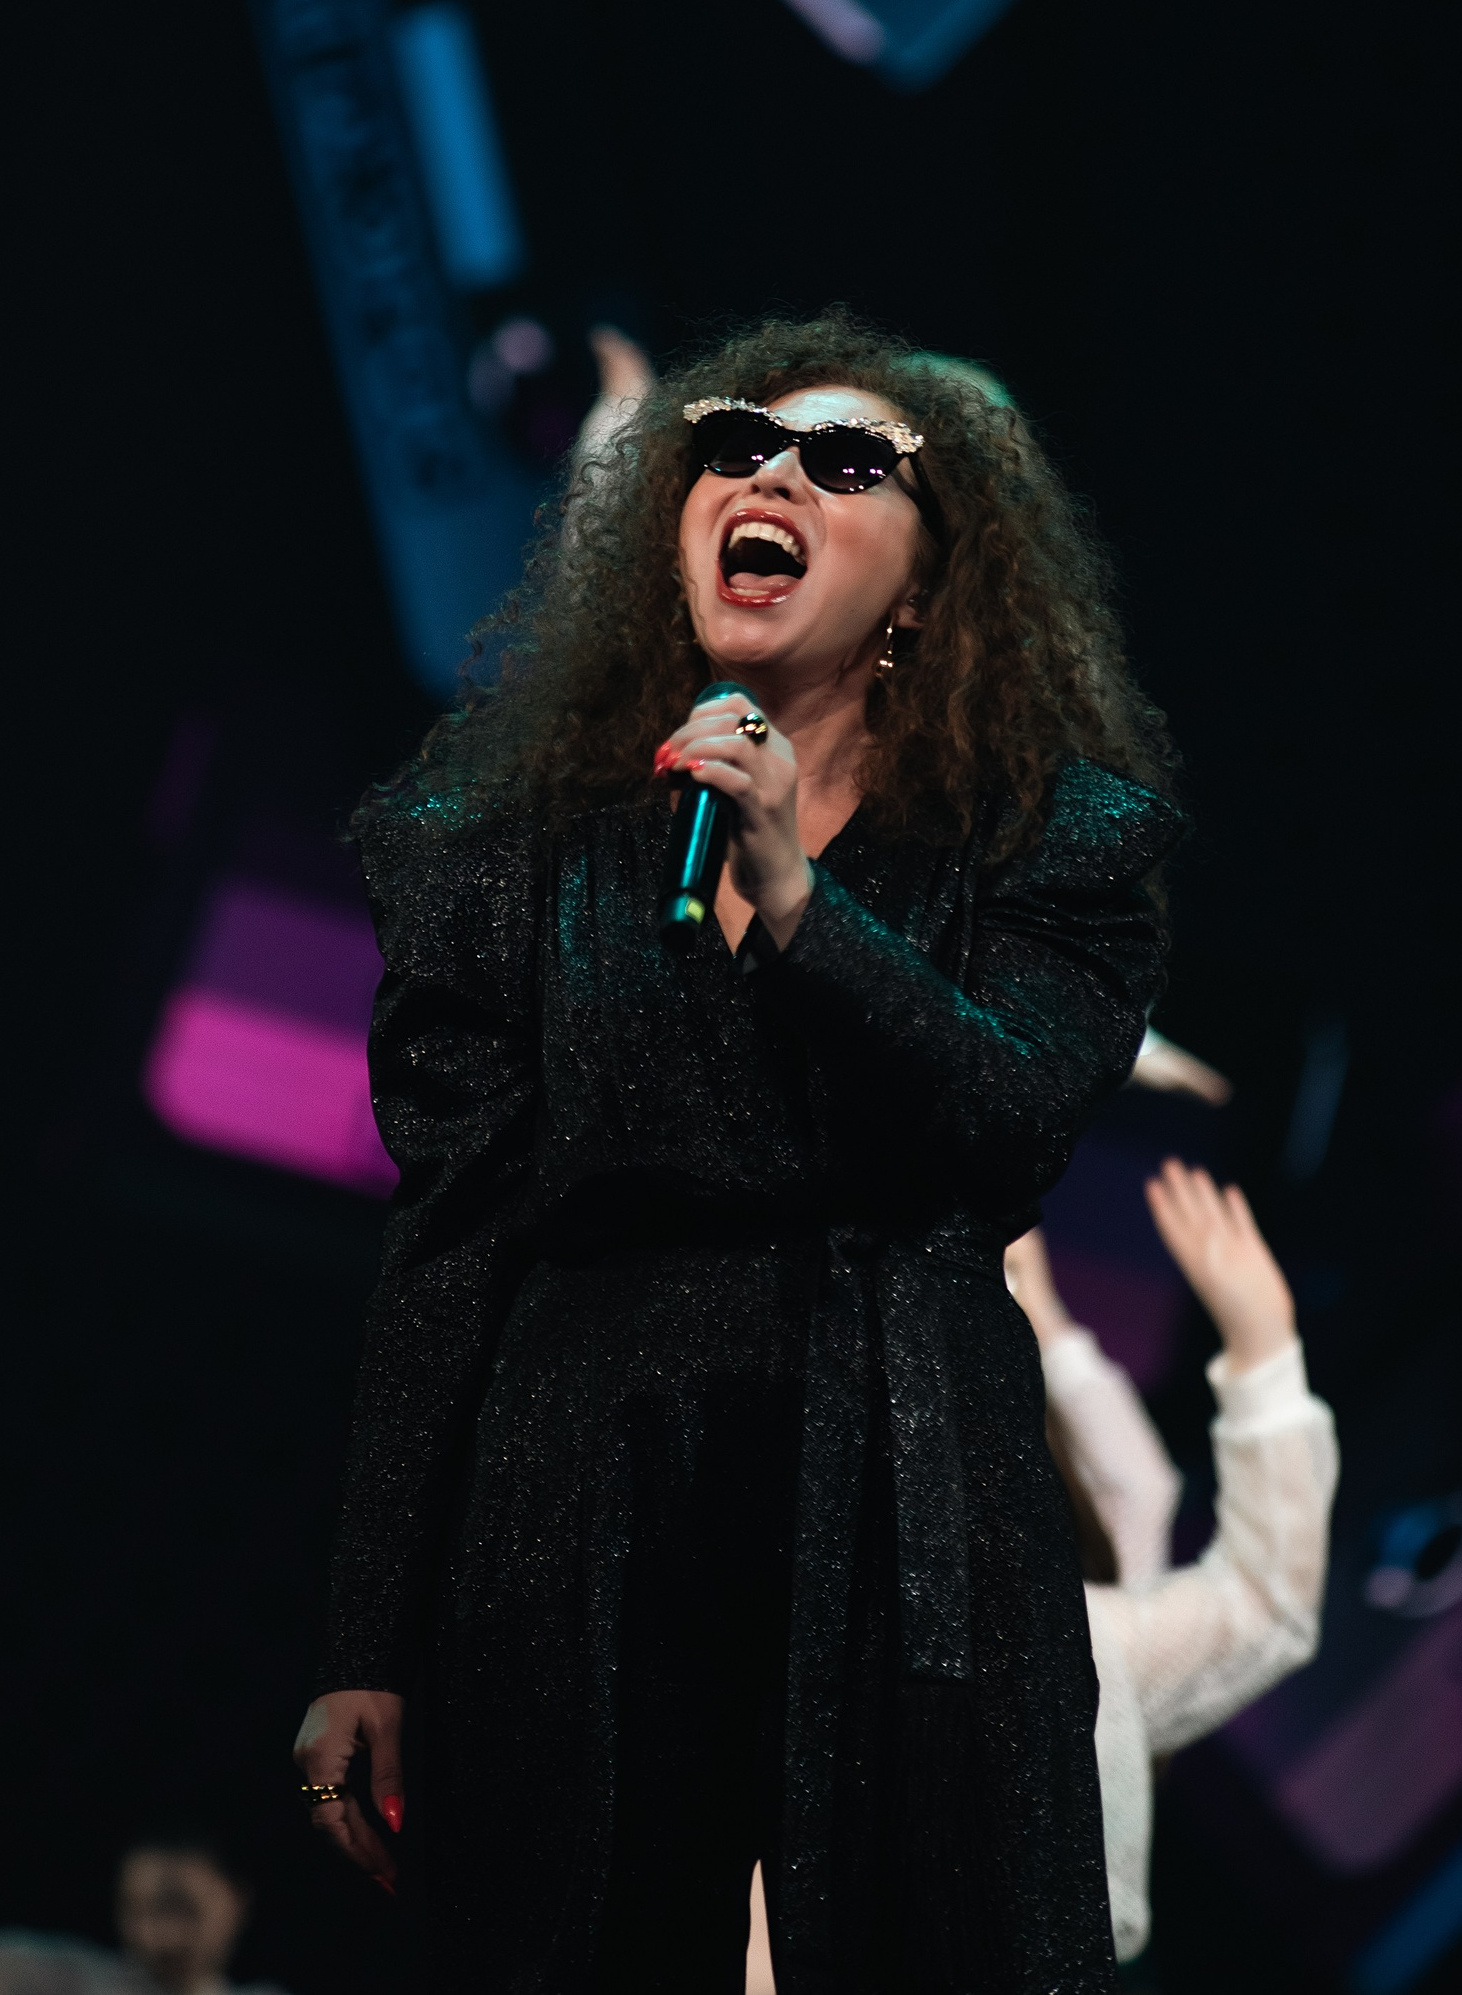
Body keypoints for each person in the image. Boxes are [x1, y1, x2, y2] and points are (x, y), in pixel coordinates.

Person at [294, 311, 1183, 1993]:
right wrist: (367, 1642)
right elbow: (448, 1247)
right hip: (582, 1493)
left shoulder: (1046, 846)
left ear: (924, 590)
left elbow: (1008, 1118)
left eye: (844, 463)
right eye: (732, 446)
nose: (769, 475)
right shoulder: (515, 857)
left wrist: (798, 902)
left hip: (905, 1480)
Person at [1013, 1164, 1338, 1965]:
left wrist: (1045, 1322)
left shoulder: (1064, 1636)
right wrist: (1263, 1349)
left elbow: (1138, 1501)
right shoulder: (1065, 1638)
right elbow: (1250, 1592)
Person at [0, 1796, 280, 1995]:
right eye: (136, 1910)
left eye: (182, 1909)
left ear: (236, 1901)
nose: (158, 1936)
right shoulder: (69, 1982)